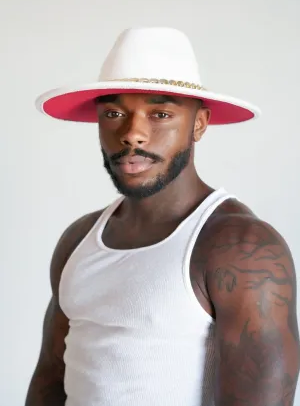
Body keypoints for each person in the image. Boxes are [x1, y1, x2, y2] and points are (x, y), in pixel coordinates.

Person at [26, 27, 299, 406]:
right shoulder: (79, 239)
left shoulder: (241, 249)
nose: (133, 134)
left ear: (199, 124)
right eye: (114, 112)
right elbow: (50, 379)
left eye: (160, 113)